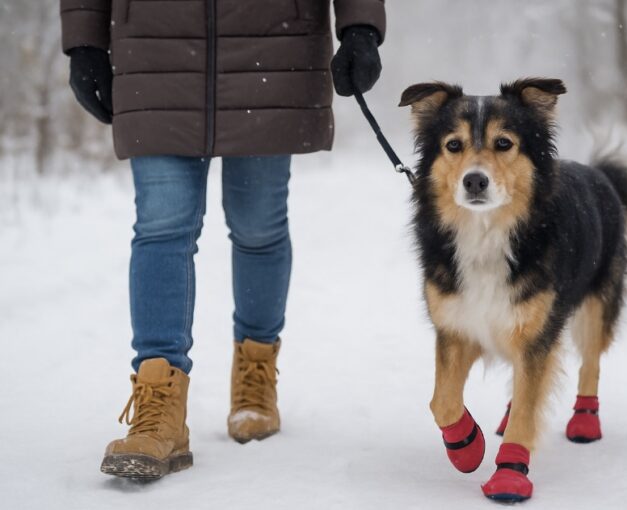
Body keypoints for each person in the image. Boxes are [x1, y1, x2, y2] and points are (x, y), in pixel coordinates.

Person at [60, 0, 386, 480]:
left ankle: (255, 372)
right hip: (155, 44)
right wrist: (85, 39)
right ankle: (159, 404)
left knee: (258, 227)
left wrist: (360, 26)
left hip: (272, 43)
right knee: (161, 226)